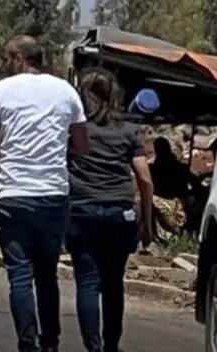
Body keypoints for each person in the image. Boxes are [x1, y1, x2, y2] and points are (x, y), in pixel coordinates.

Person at [0, 35, 90, 352]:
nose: (4, 64)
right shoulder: (66, 91)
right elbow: (82, 146)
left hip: (14, 195)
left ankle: (28, 342)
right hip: (53, 194)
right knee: (47, 273)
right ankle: (51, 341)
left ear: (17, 58)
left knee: (20, 275)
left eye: (6, 58)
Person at [66, 69, 154, 352]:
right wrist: (148, 224)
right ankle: (111, 346)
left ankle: (93, 347)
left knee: (87, 282)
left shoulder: (75, 130)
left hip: (82, 212)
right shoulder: (129, 131)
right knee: (114, 283)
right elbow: (144, 178)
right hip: (119, 214)